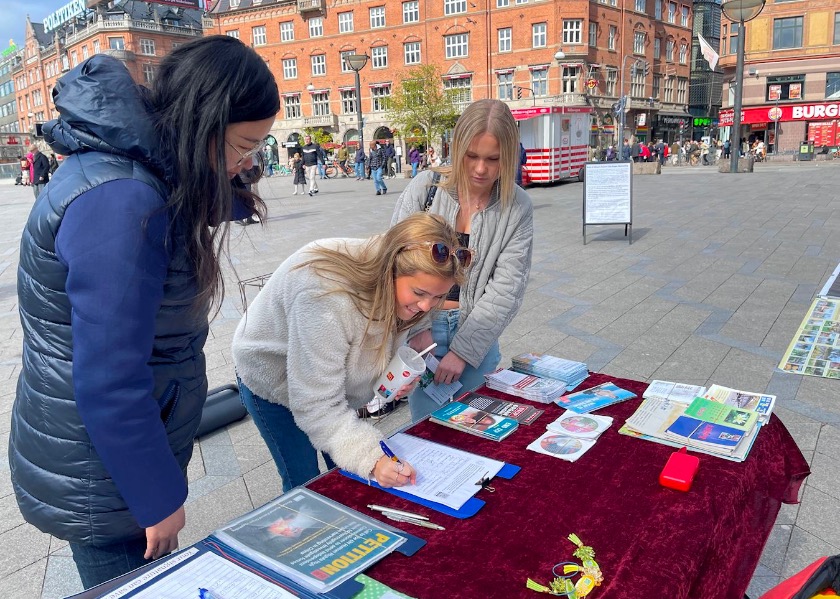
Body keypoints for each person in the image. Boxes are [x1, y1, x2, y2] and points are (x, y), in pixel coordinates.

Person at [9, 35, 279, 590]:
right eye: (242, 145)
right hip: (100, 469)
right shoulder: (123, 201)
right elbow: (109, 376)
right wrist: (155, 499)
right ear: (201, 122)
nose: (247, 163)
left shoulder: (144, 174)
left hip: (108, 453)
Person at [231, 212, 466, 491]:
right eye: (419, 293)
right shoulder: (326, 299)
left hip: (323, 379)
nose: (427, 306)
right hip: (271, 377)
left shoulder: (404, 274)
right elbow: (317, 405)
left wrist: (396, 368)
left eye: (439, 296)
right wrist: (372, 458)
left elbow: (379, 338)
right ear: (391, 268)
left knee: (348, 473)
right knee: (305, 483)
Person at [391, 99, 534, 422]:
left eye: (493, 159)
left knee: (479, 436)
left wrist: (463, 352)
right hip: (421, 329)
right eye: (471, 156)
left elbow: (507, 287)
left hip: (477, 332)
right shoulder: (425, 189)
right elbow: (395, 263)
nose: (480, 169)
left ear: (508, 156)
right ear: (457, 149)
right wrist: (418, 329)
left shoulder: (517, 206)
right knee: (427, 434)